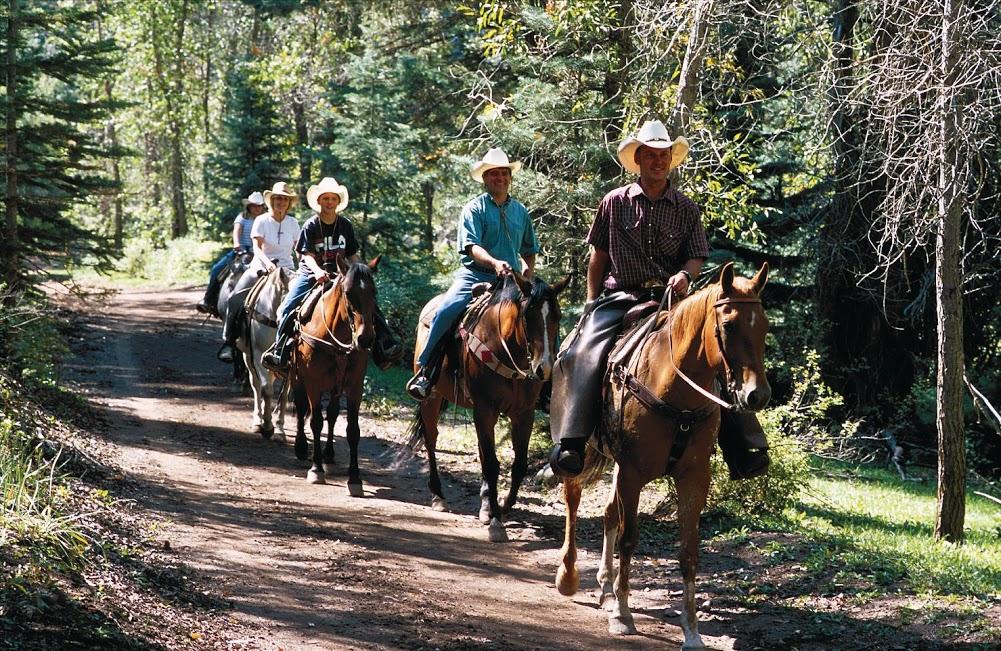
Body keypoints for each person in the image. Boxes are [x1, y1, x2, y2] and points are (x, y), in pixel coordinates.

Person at [548, 119, 770, 481]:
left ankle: (742, 445)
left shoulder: (685, 207)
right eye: (650, 155)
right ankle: (572, 442)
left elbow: (697, 253)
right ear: (638, 158)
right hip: (621, 295)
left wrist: (686, 274)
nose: (658, 161)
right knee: (584, 351)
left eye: (664, 155)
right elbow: (598, 257)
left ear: (671, 159)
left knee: (715, 349)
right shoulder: (614, 202)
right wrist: (591, 303)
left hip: (673, 299)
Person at [406, 148, 541, 401]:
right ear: (485, 178)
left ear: (509, 177)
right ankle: (427, 371)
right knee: (447, 310)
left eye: (503, 173)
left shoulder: (520, 211)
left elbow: (529, 248)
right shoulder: (474, 208)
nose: (499, 178)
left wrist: (527, 272)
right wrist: (494, 262)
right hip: (474, 276)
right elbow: (472, 246)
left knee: (541, 314)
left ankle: (543, 379)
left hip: (511, 281)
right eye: (493, 174)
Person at [260, 177, 403, 372]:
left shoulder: (345, 225)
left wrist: (361, 271)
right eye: (325, 198)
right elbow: (306, 254)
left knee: (368, 304)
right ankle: (280, 351)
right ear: (318, 201)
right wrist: (318, 271)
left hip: (341, 275)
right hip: (311, 275)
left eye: (333, 199)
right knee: (288, 306)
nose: (329, 202)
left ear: (338, 202)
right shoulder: (311, 225)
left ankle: (384, 348)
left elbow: (351, 254)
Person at [218, 181, 302, 363]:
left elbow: (298, 248)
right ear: (272, 201)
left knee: (305, 300)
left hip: (287, 270)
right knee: (235, 298)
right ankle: (229, 342)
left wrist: (303, 264)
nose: (281, 202)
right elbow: (257, 247)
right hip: (260, 267)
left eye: (285, 199)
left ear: (289, 203)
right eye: (277, 198)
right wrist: (267, 264)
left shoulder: (293, 223)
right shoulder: (261, 220)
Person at [196, 191, 267, 315]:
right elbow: (236, 232)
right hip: (242, 251)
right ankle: (208, 300)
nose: (257, 208)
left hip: (260, 253)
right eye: (254, 205)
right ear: (249, 206)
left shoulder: (265, 219)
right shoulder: (242, 217)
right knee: (216, 269)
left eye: (259, 206)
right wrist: (237, 245)